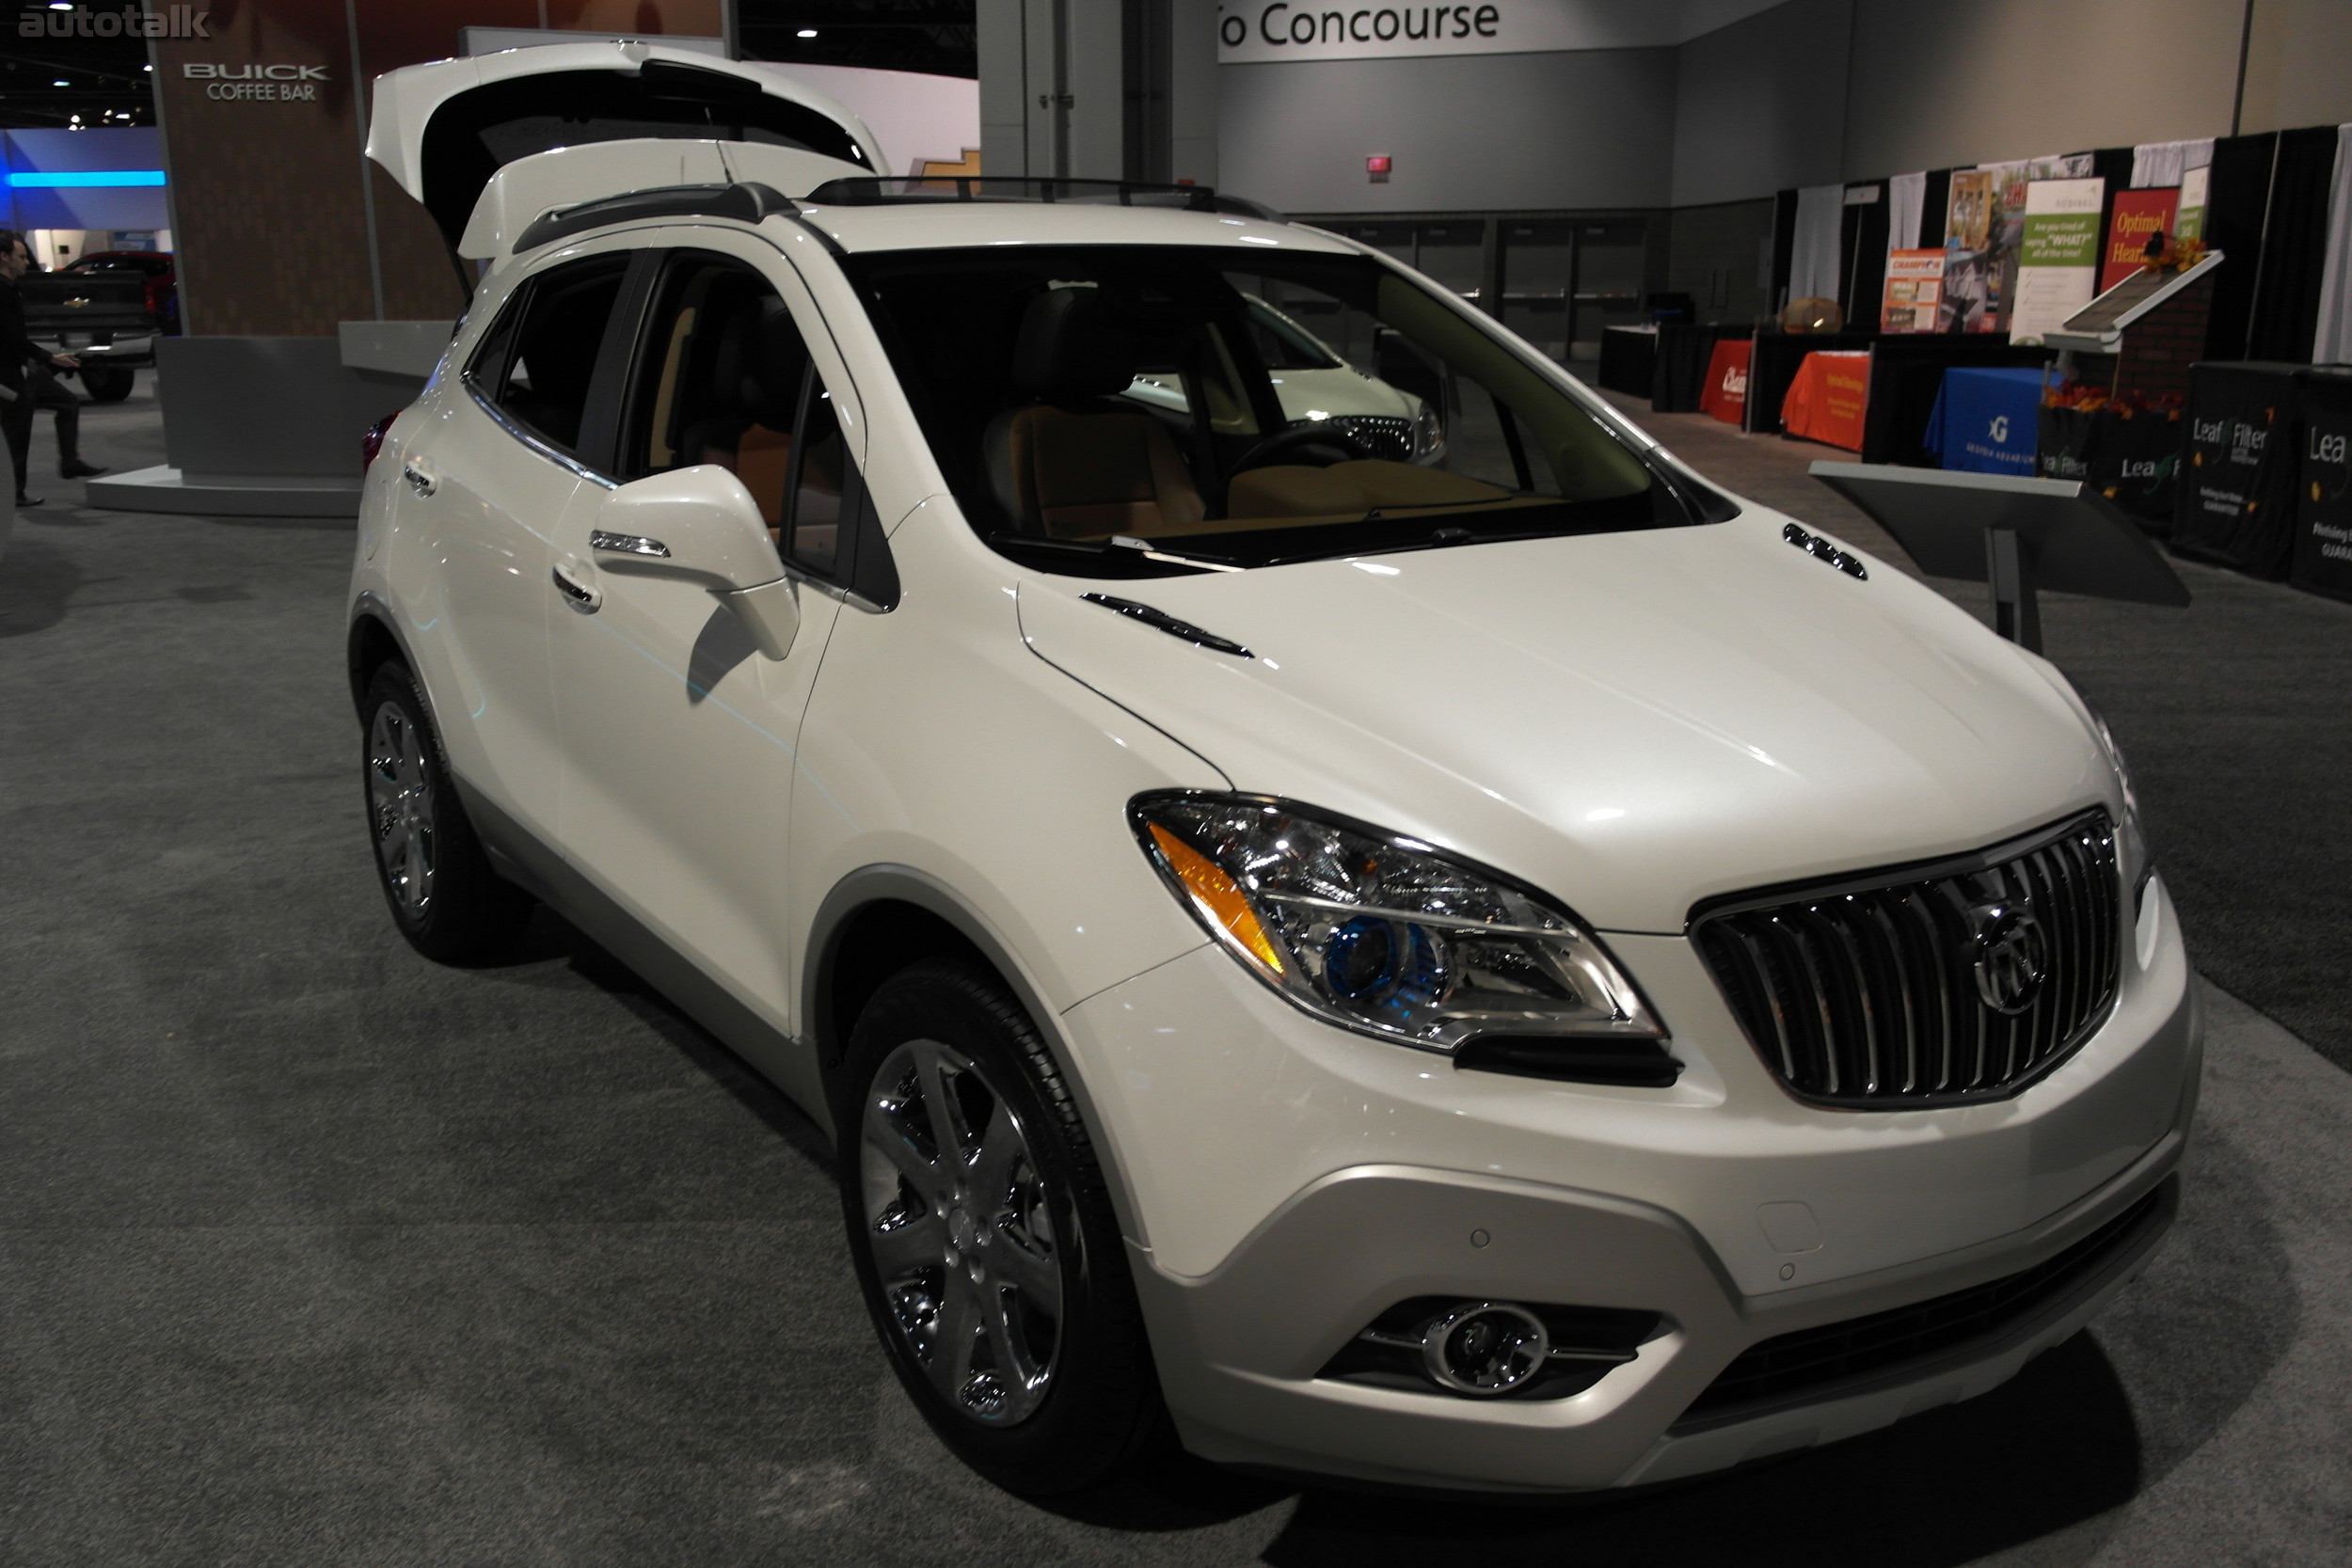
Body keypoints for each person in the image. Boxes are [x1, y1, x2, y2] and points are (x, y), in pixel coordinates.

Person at [0, 229, 105, 507]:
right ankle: (14, 492)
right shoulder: (1, 292)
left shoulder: (12, 289)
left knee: (67, 402)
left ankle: (70, 461)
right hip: (9, 371)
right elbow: (11, 339)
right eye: (21, 257)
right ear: (4, 258)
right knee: (17, 432)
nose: (26, 262)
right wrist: (51, 358)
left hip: (24, 366)